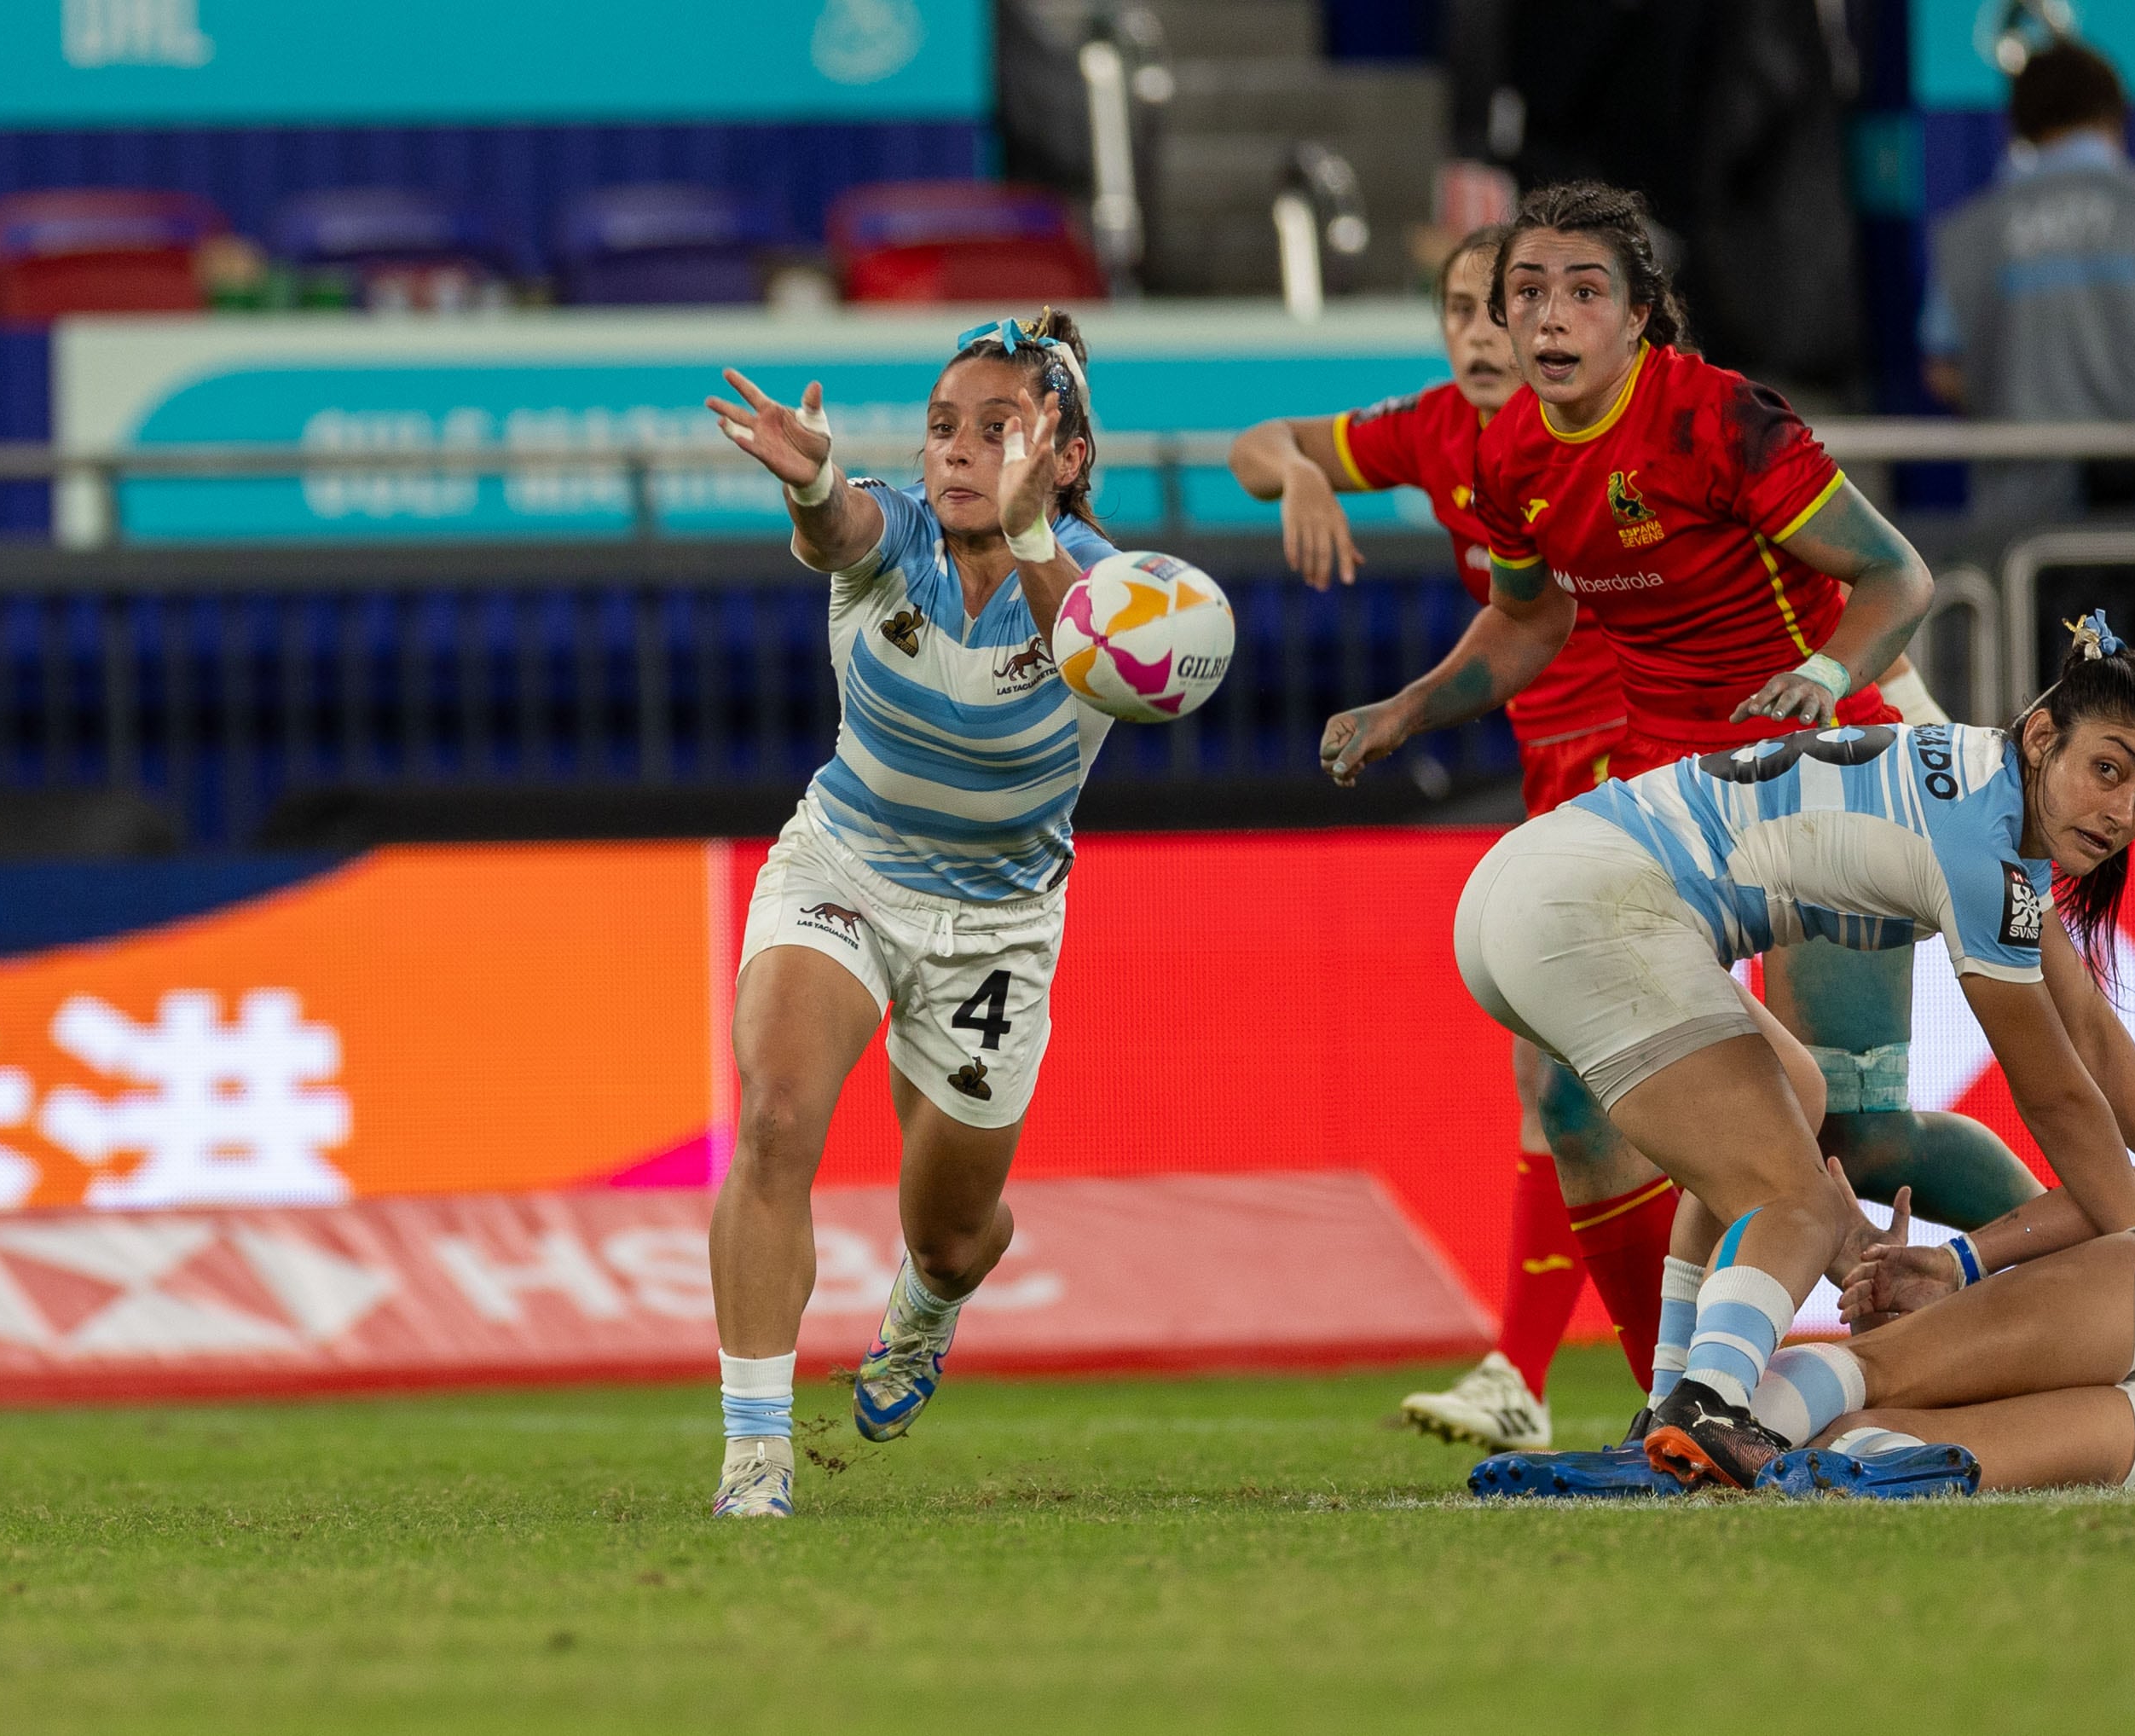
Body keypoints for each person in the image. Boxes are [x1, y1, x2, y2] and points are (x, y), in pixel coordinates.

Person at [1321, 179, 2036, 1403]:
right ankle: (1662, 1394)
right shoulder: (1504, 453)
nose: (1544, 318)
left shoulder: (1718, 421)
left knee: (1858, 1136)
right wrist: (1410, 707)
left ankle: (2080, 1277)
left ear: (1643, 316)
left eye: (1581, 291)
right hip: (1675, 808)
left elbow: (1894, 573)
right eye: (1524, 294)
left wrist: (1818, 676)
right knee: (1576, 1091)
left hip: (1825, 786)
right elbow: (1525, 620)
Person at [1453, 619, 2135, 1489]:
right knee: (1794, 1199)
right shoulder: (1985, 854)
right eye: (2108, 770)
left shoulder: (1990, 801)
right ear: (2042, 737)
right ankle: (1707, 1408)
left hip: (1539, 877)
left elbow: (2090, 1027)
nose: (2121, 811)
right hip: (1590, 903)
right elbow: (2060, 1099)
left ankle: (1668, 1409)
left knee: (1796, 1099)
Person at [1228, 226, 1651, 1452]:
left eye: (1499, 308)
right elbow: (1254, 447)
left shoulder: (1616, 429)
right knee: (1564, 1083)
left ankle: (1670, 1377)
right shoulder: (1431, 433)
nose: (1478, 333)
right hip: (1553, 769)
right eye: (1458, 311)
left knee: (1605, 1081)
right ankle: (1571, 1376)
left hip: (1658, 751)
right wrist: (1302, 473)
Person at [698, 310, 1122, 1519]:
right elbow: (841, 524)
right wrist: (814, 482)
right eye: (944, 427)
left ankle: (926, 1311)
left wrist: (1033, 528)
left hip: (997, 928)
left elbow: (1108, 663)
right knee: (777, 1119)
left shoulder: (1110, 591)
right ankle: (754, 1459)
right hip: (845, 870)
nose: (957, 452)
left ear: (1067, 457)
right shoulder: (892, 542)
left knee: (950, 1235)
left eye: (999, 430)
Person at [1784, 1163, 2135, 1495]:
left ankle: (1716, 1412)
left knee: (1860, 1370)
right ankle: (1791, 1449)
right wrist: (1881, 1318)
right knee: (1860, 1442)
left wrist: (1956, 1263)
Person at [1922, 39, 2135, 520]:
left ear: (2021, 126)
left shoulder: (1967, 233)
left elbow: (1943, 372)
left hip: (2024, 527)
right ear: (2115, 116)